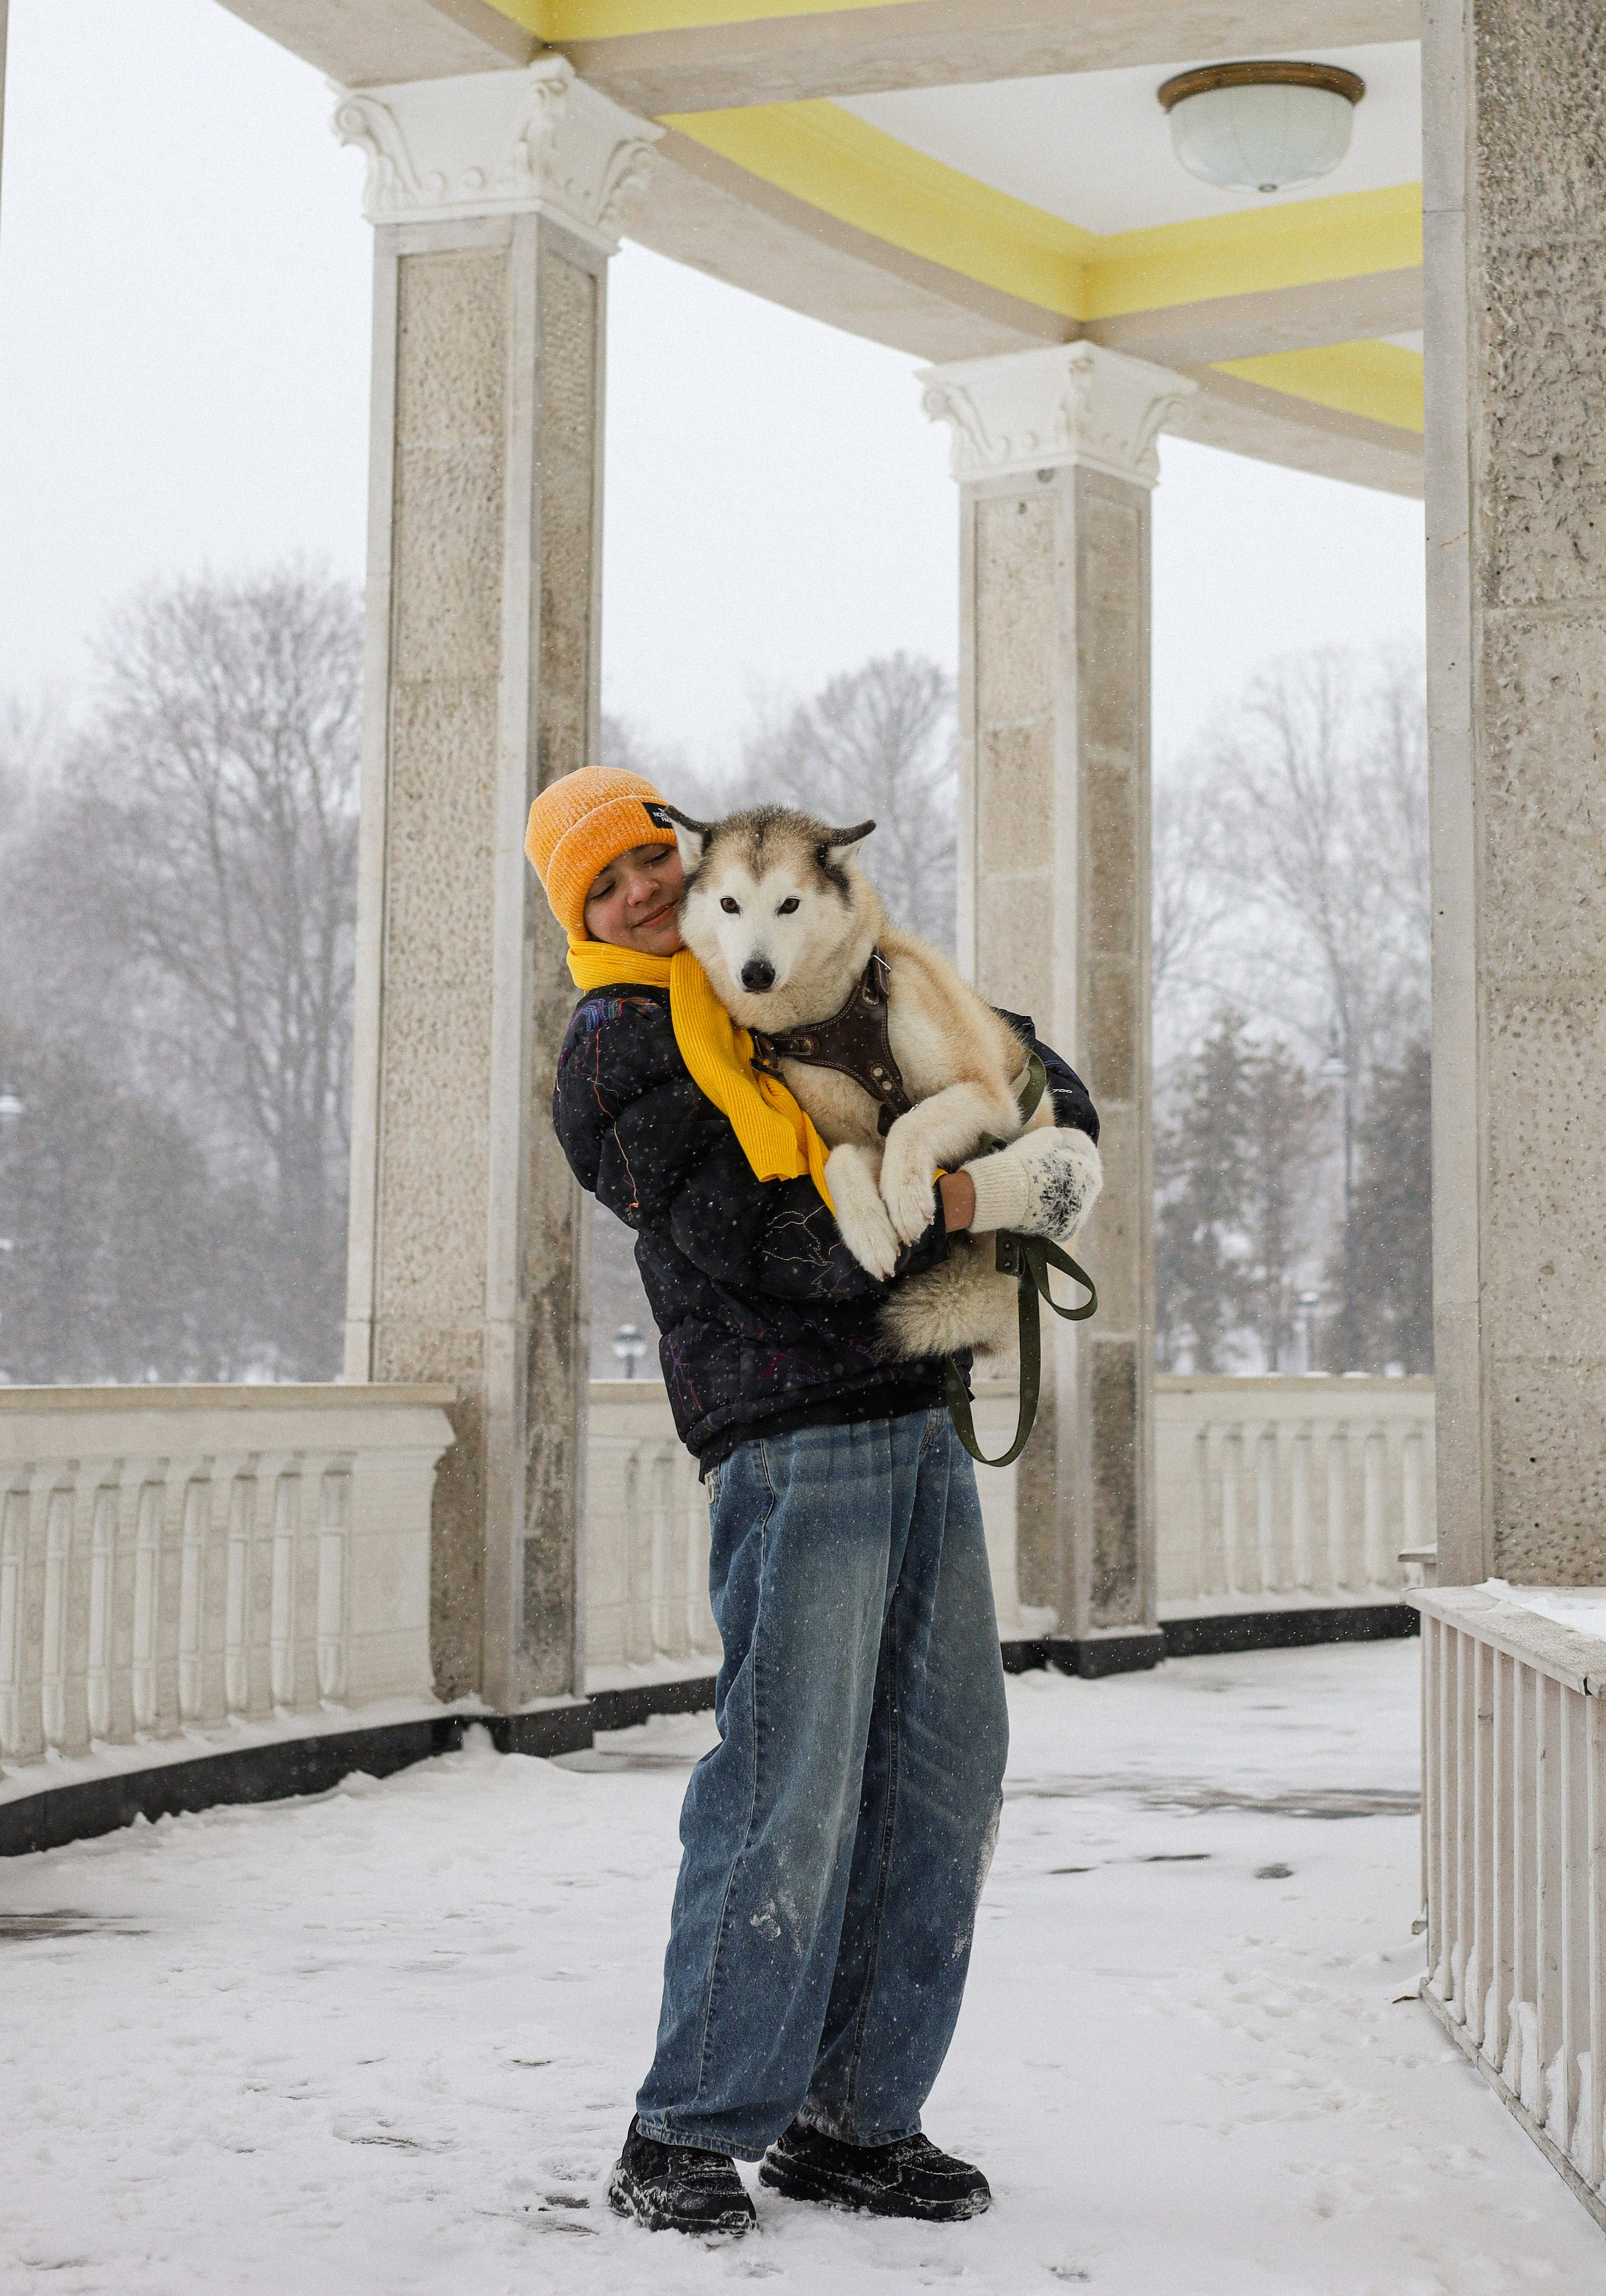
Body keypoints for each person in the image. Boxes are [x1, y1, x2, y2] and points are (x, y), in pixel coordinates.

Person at [525, 765, 1101, 2238]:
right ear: (576, 914)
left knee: (943, 1773)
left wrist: (1052, 1143)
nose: (642, 895)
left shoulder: (795, 974)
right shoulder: (618, 1047)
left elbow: (1026, 1068)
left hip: (910, 1410)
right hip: (791, 1437)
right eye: (604, 887)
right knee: (790, 1783)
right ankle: (684, 2129)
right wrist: (979, 1200)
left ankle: (852, 2121)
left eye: (651, 861)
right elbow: (758, 1244)